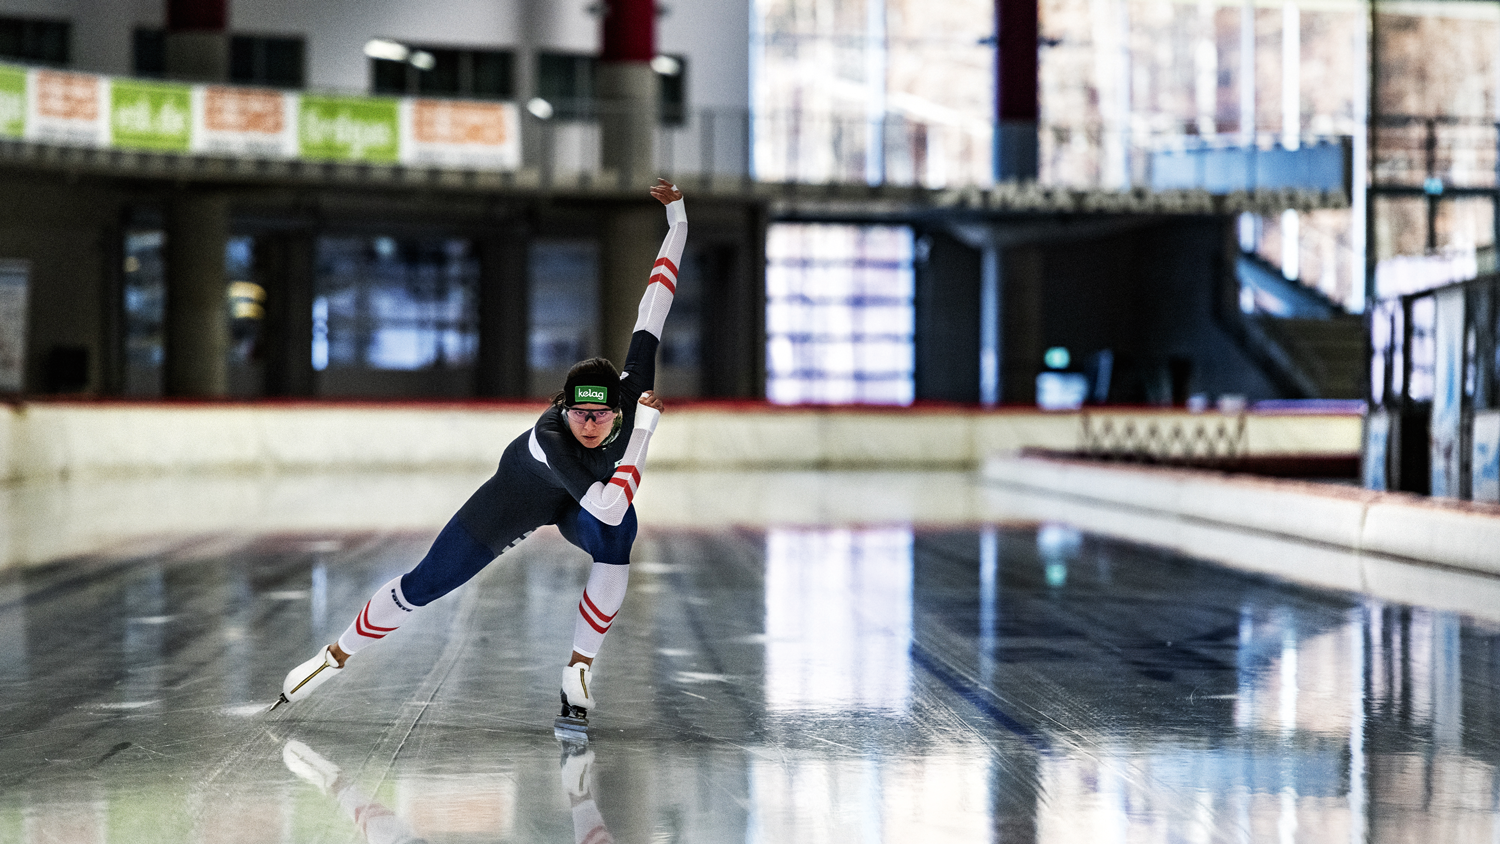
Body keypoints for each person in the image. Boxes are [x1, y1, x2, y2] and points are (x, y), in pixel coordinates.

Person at [275, 179, 688, 731]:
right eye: (579, 415)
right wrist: (645, 432)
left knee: (619, 536)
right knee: (425, 584)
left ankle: (579, 670)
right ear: (563, 410)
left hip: (579, 504)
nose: (590, 426)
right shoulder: (552, 438)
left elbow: (655, 303)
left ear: (618, 406)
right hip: (519, 496)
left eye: (602, 416)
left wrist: (678, 220)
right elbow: (609, 500)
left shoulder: (631, 391)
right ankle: (334, 656)